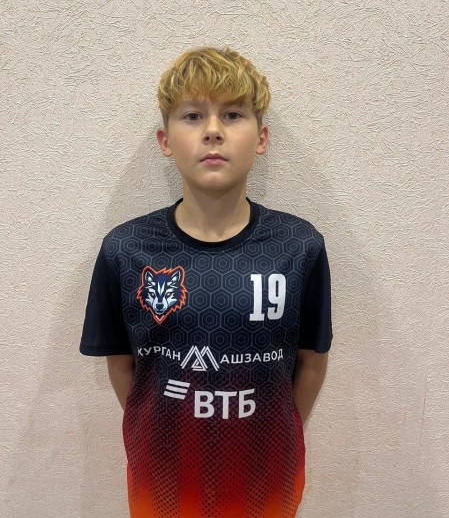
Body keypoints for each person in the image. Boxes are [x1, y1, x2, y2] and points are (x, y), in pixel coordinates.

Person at [79, 45, 333, 518]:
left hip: (265, 478)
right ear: (165, 140)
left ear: (261, 138)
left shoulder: (299, 246)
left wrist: (275, 436)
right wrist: (159, 432)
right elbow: (122, 365)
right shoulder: (126, 249)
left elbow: (311, 362)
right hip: (163, 478)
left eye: (233, 114)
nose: (213, 130)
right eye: (193, 116)